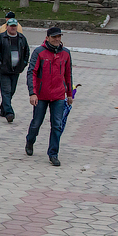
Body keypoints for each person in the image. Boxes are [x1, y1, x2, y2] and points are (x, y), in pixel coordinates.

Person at [26, 27, 73, 167]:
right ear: (47, 38)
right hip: (41, 95)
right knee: (37, 122)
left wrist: (69, 94)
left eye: (59, 36)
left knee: (57, 125)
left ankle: (53, 154)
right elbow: (31, 73)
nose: (57, 39)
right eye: (54, 37)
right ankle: (30, 140)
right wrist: (32, 93)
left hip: (58, 95)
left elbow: (68, 75)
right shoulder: (39, 52)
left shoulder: (66, 53)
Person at [0, 18, 30, 123]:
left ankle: (3, 108)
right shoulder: (0, 38)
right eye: (11, 26)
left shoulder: (21, 38)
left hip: (16, 70)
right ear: (7, 26)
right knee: (6, 91)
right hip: (4, 70)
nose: (13, 28)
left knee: (11, 91)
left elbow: (26, 52)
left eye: (14, 26)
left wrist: (24, 64)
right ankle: (9, 113)